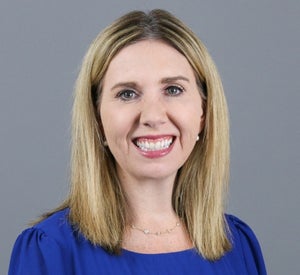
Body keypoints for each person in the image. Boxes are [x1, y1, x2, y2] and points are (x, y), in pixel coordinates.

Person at [8, 9, 267, 274]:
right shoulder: (50, 251)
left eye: (173, 90)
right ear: (97, 118)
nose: (153, 116)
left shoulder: (237, 247)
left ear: (203, 111)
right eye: (127, 93)